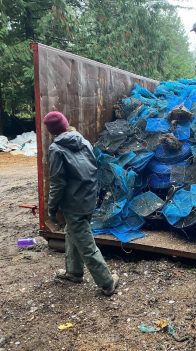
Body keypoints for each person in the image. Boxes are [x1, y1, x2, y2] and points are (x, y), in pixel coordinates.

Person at [43, 111, 119, 296]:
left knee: (86, 244)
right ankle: (74, 272)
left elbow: (58, 183)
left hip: (74, 204)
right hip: (88, 199)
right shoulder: (83, 141)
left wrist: (51, 208)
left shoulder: (56, 149)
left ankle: (107, 282)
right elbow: (94, 170)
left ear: (51, 130)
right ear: (65, 124)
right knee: (72, 232)